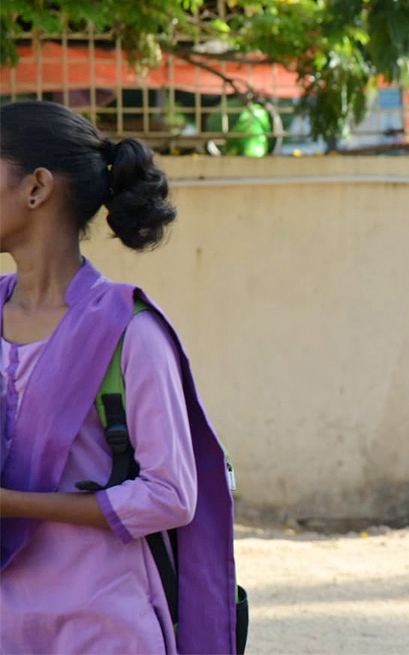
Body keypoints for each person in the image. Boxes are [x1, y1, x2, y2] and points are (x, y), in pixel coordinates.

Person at [0, 100, 242, 653]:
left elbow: (171, 495)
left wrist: (13, 503)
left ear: (36, 187)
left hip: (101, 628)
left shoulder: (129, 331)